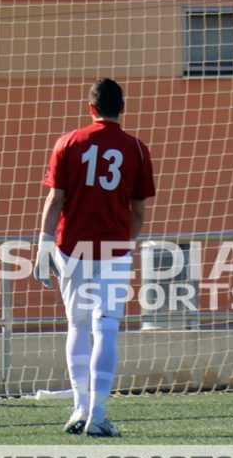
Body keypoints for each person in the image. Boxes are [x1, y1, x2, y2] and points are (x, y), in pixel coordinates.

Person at [35, 78, 156, 437]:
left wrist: (43, 245)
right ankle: (98, 415)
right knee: (106, 327)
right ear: (122, 108)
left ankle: (79, 409)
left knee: (77, 325)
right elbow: (138, 210)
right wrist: (128, 242)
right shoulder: (135, 147)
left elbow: (55, 199)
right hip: (114, 248)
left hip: (72, 247)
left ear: (91, 108)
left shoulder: (69, 141)